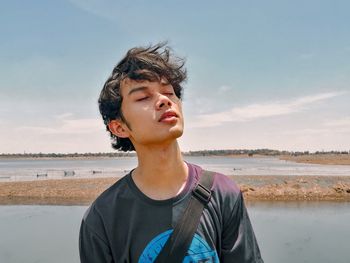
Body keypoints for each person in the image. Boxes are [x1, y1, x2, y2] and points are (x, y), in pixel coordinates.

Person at [79, 43, 263, 262]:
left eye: (169, 92)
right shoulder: (102, 216)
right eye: (143, 97)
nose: (164, 100)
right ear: (119, 127)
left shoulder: (223, 193)